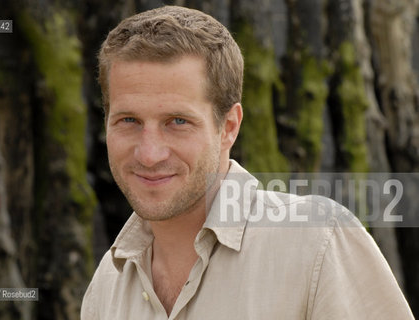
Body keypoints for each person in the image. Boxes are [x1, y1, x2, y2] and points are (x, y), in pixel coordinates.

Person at [81, 5, 414, 319]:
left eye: (178, 122)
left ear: (229, 128)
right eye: (128, 121)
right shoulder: (106, 287)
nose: (149, 153)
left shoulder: (318, 244)